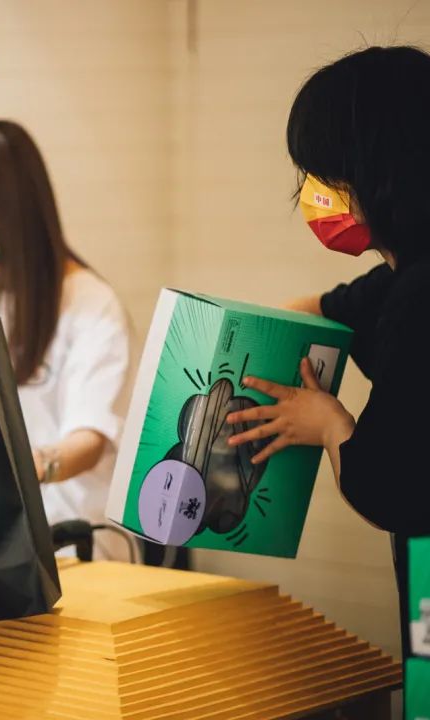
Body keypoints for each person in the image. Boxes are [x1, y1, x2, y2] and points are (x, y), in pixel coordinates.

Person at [227, 46, 430, 659]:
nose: (315, 195)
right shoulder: (401, 281)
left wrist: (328, 422)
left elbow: (390, 491)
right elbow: (320, 310)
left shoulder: (418, 297)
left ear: (379, 171)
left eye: (326, 175)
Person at [0, 120, 131, 561]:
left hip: (76, 549)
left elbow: (89, 439)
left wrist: (22, 465)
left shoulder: (90, 305)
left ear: (25, 221)